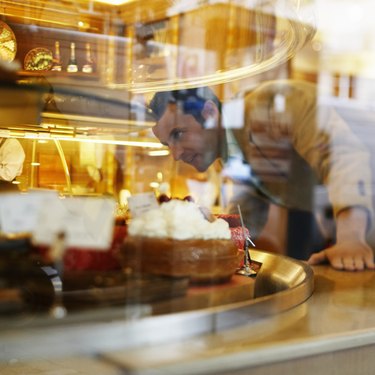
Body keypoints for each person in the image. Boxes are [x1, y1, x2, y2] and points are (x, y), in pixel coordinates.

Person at [150, 80, 375, 271]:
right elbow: (249, 203)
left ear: (209, 113)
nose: (175, 154)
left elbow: (342, 158)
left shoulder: (274, 103)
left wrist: (351, 237)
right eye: (166, 144)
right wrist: (213, 243)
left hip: (358, 229)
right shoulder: (227, 150)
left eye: (178, 134)